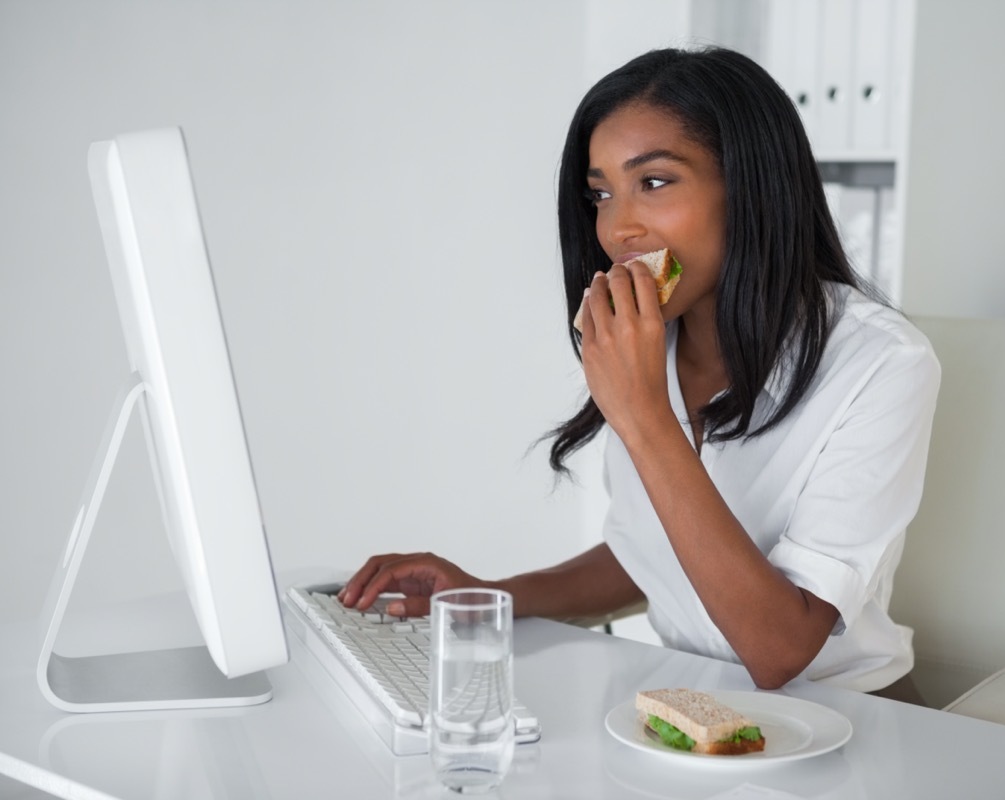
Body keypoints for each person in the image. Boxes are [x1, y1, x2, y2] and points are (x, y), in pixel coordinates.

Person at [338, 47, 940, 697]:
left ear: (750, 185)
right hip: (698, 705)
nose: (619, 228)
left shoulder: (882, 364)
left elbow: (781, 650)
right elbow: (650, 554)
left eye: (653, 182)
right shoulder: (653, 343)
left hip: (854, 717)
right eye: (601, 194)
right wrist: (490, 596)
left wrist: (645, 415)